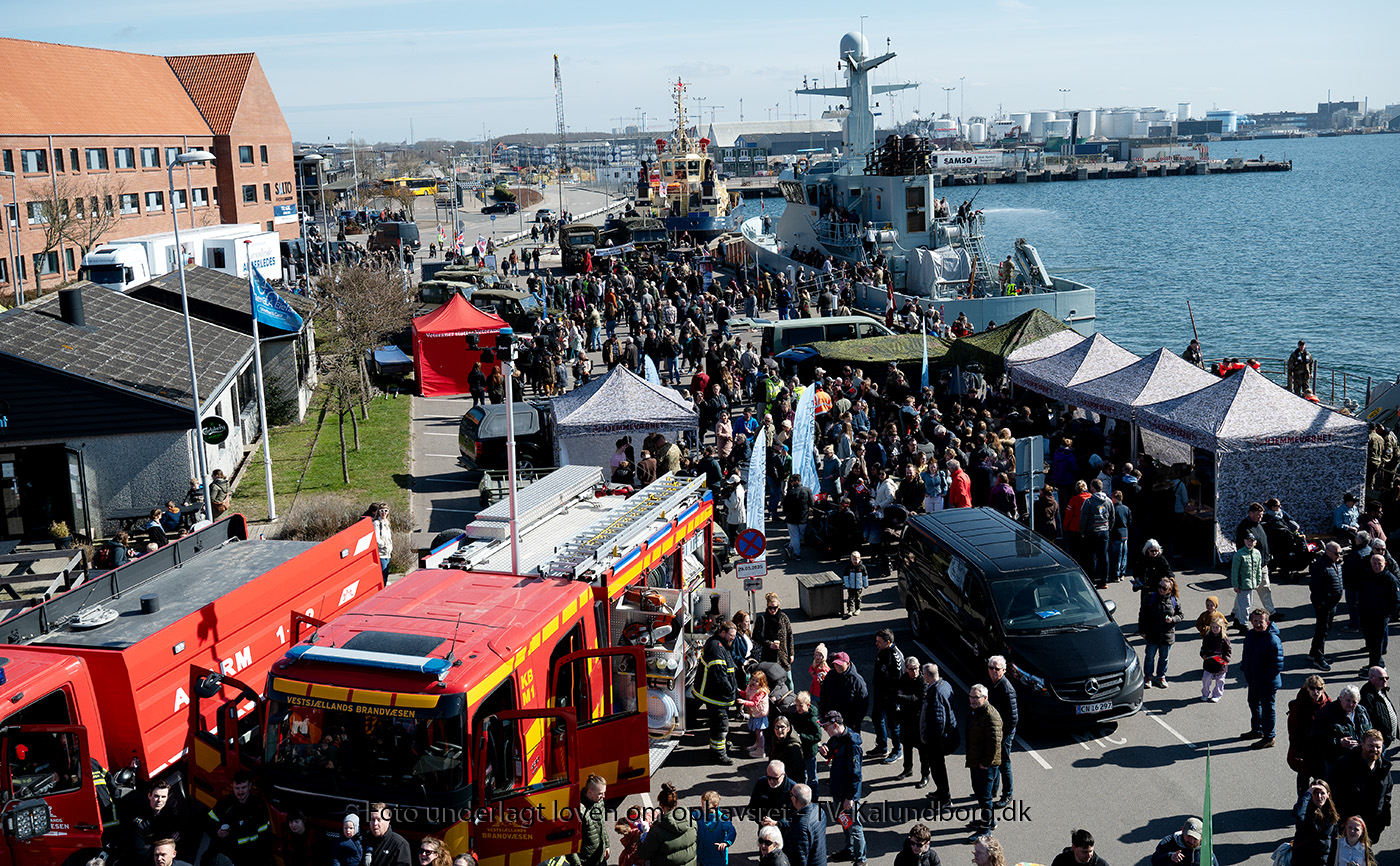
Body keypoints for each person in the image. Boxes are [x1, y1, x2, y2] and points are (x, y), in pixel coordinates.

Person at [1327, 729, 1393, 844]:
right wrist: (1341, 821)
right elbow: (1334, 794)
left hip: (1372, 828)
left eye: (1378, 747)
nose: (1374, 750)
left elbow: (1386, 795)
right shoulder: (1344, 765)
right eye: (1370, 746)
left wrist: (1382, 821)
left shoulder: (1384, 769)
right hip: (1348, 827)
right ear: (1363, 745)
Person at [819, 710, 865, 866]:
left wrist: (850, 798)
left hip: (847, 795)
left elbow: (856, 775)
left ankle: (861, 860)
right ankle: (849, 849)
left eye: (826, 727)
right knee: (845, 823)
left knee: (855, 828)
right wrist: (825, 751)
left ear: (836, 725)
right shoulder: (836, 737)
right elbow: (830, 752)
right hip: (838, 791)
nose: (825, 730)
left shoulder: (852, 745)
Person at [693, 621, 740, 764]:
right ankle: (719, 754)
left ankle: (721, 746)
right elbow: (719, 676)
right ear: (723, 632)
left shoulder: (719, 644)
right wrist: (731, 690)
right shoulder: (716, 648)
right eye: (731, 635)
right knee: (720, 725)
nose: (733, 638)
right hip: (716, 696)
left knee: (719, 724)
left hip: (716, 694)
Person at [205, 770, 272, 866]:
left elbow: (264, 840)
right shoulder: (225, 803)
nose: (240, 792)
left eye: (243, 787)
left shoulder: (258, 807)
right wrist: (217, 832)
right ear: (233, 787)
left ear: (249, 786)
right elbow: (209, 822)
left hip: (251, 857)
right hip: (228, 855)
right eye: (237, 788)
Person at [1241, 608, 1285, 749]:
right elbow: (1246, 655)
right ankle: (1257, 730)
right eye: (1255, 621)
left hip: (1267, 683)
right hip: (1254, 679)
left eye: (1261, 621)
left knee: (1267, 710)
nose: (1258, 624)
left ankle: (1269, 738)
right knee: (1253, 704)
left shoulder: (1273, 639)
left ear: (1267, 622)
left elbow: (1277, 665)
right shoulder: (1250, 635)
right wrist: (1246, 670)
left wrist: (1263, 679)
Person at [965, 684, 1003, 841]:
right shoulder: (977, 711)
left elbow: (994, 743)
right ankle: (989, 821)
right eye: (971, 697)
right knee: (980, 794)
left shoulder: (991, 716)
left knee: (985, 796)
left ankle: (986, 829)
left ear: (985, 698)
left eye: (976, 697)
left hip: (985, 765)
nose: (973, 700)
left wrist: (985, 763)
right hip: (976, 761)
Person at [917, 663, 958, 808]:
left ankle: (945, 798)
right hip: (941, 738)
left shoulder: (936, 694)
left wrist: (930, 740)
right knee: (937, 768)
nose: (922, 677)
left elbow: (939, 722)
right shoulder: (944, 685)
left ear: (927, 676)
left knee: (938, 768)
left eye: (923, 674)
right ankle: (941, 792)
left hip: (936, 741)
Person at [1313, 685, 1372, 778]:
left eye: (1354, 702)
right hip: (1336, 760)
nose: (1351, 704)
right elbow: (1316, 739)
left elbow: (1370, 731)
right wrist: (1339, 742)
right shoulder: (1327, 713)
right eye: (1348, 700)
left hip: (1360, 758)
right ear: (1341, 698)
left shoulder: (1362, 711)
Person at [120, 780, 186, 865]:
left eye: (163, 797)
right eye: (156, 796)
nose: (159, 800)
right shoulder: (140, 822)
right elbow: (140, 854)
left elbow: (179, 833)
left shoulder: (172, 815)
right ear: (149, 795)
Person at [636, 783, 698, 866]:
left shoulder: (657, 831)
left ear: (661, 805)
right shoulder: (691, 821)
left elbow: (644, 853)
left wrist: (641, 837)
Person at [1288, 676, 1331, 794]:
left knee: (1321, 779)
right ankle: (1302, 804)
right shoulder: (1300, 704)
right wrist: (1297, 751)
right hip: (1304, 749)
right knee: (1303, 776)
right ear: (1307, 689)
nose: (1316, 692)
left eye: (1319, 688)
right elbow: (1293, 730)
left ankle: (1318, 804)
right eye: (1312, 688)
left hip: (1321, 749)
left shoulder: (1328, 702)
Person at [1139, 575, 1184, 689]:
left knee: (1164, 658)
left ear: (1169, 590)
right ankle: (1148, 677)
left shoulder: (1174, 600)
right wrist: (1142, 630)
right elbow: (1143, 614)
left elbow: (1181, 615)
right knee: (1149, 657)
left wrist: (1173, 619)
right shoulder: (1150, 598)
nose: (1161, 589)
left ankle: (1161, 677)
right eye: (1159, 586)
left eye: (1164, 588)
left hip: (1167, 635)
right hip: (1152, 633)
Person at [984, 656, 1017, 807]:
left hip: (1003, 733)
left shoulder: (1007, 689)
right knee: (994, 762)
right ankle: (993, 791)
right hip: (993, 730)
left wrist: (1003, 736)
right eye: (991, 667)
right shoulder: (990, 683)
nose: (993, 671)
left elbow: (1013, 718)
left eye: (997, 669)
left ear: (1003, 670)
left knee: (1004, 764)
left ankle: (1008, 795)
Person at [869, 629, 905, 763]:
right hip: (880, 694)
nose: (876, 644)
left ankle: (897, 750)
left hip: (891, 697)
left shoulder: (895, 657)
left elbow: (898, 682)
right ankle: (882, 747)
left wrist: (892, 698)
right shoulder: (882, 652)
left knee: (893, 725)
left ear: (888, 642)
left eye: (879, 641)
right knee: (877, 718)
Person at [1308, 542, 1345, 670]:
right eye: (1336, 553)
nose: (1339, 555)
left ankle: (1314, 653)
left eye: (1340, 553)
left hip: (1332, 604)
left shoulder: (1335, 563)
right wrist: (1321, 604)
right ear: (1328, 552)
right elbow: (1314, 587)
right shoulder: (1320, 565)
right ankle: (1318, 658)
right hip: (1324, 605)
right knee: (1322, 630)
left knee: (1324, 630)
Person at [1291, 779, 1340, 866]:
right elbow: (1298, 814)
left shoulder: (1331, 813)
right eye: (1315, 793)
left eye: (1322, 793)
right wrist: (1308, 793)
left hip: (1322, 860)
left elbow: (1335, 839)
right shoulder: (1305, 810)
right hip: (1303, 859)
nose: (1319, 796)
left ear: (1328, 795)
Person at [754, 593, 795, 687]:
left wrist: (791, 653)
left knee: (788, 680)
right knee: (771, 682)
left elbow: (790, 635)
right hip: (768, 656)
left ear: (779, 606)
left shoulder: (784, 617)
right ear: (767, 606)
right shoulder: (762, 619)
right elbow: (756, 636)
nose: (772, 610)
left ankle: (791, 699)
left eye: (775, 608)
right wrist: (769, 644)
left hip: (783, 656)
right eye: (770, 608)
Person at [822, 653, 870, 734]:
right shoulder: (830, 676)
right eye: (836, 664)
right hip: (834, 721)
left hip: (850, 723)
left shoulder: (857, 680)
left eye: (840, 664)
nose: (837, 667)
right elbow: (823, 695)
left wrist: (857, 722)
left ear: (848, 664)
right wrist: (824, 714)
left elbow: (864, 703)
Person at [893, 655, 925, 780]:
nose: (914, 671)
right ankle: (907, 769)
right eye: (911, 669)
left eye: (916, 668)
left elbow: (920, 699)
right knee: (907, 746)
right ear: (906, 669)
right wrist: (909, 698)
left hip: (918, 720)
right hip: (906, 718)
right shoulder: (903, 679)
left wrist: (905, 698)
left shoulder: (922, 681)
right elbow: (896, 694)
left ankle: (925, 774)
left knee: (922, 750)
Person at [569, 775, 608, 866]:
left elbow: (601, 825)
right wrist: (577, 864)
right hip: (586, 862)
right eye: (600, 793)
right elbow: (571, 843)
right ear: (590, 793)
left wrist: (606, 845)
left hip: (600, 857)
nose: (604, 796)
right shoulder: (578, 811)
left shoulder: (599, 802)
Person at [1229, 534, 1264, 630]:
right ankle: (1243, 625)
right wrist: (1235, 585)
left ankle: (1236, 620)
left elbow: (1258, 569)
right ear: (1244, 541)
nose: (1250, 542)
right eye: (1248, 540)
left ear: (1255, 542)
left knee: (1240, 602)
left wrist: (1258, 581)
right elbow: (1234, 571)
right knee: (1246, 605)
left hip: (1251, 584)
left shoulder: (1257, 553)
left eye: (1252, 541)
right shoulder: (1239, 554)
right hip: (1242, 585)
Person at [1358, 666, 1397, 751]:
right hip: (1380, 740)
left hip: (1386, 737)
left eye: (1387, 678)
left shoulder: (1380, 689)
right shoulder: (1367, 697)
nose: (1385, 680)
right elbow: (1370, 721)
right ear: (1371, 678)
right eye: (1381, 678)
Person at [693, 790, 735, 866]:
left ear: (715, 806)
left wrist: (726, 842)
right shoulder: (699, 815)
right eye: (702, 804)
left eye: (705, 805)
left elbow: (731, 831)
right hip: (703, 858)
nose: (702, 807)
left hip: (717, 860)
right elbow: (688, 817)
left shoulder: (722, 819)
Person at [1150, 817, 1216, 866]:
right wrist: (1170, 857)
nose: (1191, 841)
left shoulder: (1206, 850)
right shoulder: (1168, 842)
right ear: (1183, 830)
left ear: (1202, 837)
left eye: (1195, 838)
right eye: (1188, 836)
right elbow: (1155, 861)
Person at [739, 670, 773, 758]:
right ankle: (757, 745)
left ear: (761, 683)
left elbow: (754, 703)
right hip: (755, 713)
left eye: (756, 681)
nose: (753, 682)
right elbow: (746, 694)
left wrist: (743, 702)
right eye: (752, 680)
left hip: (759, 714)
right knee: (757, 732)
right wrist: (739, 692)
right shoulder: (750, 688)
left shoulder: (760, 692)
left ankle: (761, 750)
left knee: (759, 732)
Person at [1199, 611, 1231, 703]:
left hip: (1220, 663)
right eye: (1213, 627)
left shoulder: (1224, 639)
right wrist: (1203, 655)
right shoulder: (1207, 637)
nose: (1215, 629)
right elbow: (1203, 648)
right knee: (1206, 679)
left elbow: (1228, 651)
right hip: (1209, 662)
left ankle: (1217, 695)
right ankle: (1205, 694)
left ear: (1221, 628)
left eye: (1217, 627)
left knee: (1220, 680)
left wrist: (1225, 660)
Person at [783, 475, 814, 558]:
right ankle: (792, 550)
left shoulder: (790, 492)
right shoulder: (807, 490)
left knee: (794, 536)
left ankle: (796, 553)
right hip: (803, 518)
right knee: (799, 535)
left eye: (792, 481)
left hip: (791, 518)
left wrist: (785, 514)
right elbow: (812, 504)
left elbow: (785, 505)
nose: (791, 483)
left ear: (796, 481)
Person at [367, 502, 393, 582]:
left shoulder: (387, 523)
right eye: (381, 511)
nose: (384, 513)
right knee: (382, 576)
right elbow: (377, 538)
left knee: (386, 574)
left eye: (386, 511)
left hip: (387, 554)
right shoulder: (377, 523)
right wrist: (384, 545)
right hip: (381, 553)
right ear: (378, 512)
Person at [842, 552, 869, 619]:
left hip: (859, 586)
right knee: (850, 599)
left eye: (856, 559)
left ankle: (857, 609)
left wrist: (865, 584)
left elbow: (865, 577)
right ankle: (850, 610)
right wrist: (847, 584)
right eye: (853, 559)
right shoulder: (848, 567)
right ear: (851, 559)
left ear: (859, 559)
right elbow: (845, 576)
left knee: (858, 598)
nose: (855, 561)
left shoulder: (862, 567)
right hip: (851, 586)